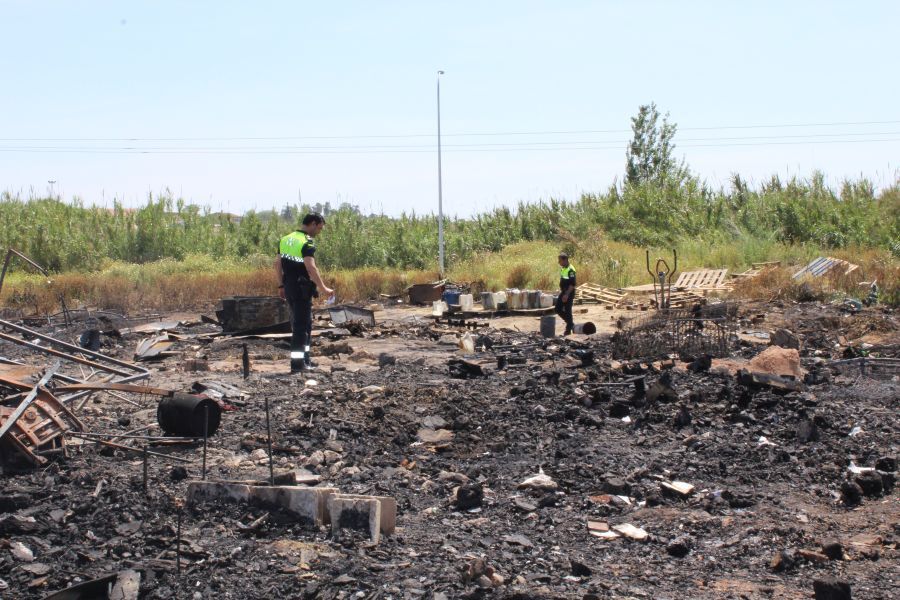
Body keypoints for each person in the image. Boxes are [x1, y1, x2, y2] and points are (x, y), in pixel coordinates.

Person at [275, 213, 334, 373]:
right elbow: (311, 267)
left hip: (289, 287)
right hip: (301, 289)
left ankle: (306, 360)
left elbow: (277, 264)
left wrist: (281, 285)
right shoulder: (306, 242)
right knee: (301, 326)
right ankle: (297, 364)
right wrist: (323, 288)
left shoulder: (286, 239)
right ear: (313, 224)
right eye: (319, 228)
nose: (319, 232)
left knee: (306, 324)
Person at [555, 252, 576, 335]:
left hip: (569, 292)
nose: (558, 262)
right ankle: (570, 323)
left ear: (565, 260)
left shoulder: (571, 269)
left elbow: (572, 284)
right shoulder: (563, 268)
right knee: (557, 309)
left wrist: (567, 294)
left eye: (560, 260)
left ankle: (568, 329)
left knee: (568, 310)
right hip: (564, 291)